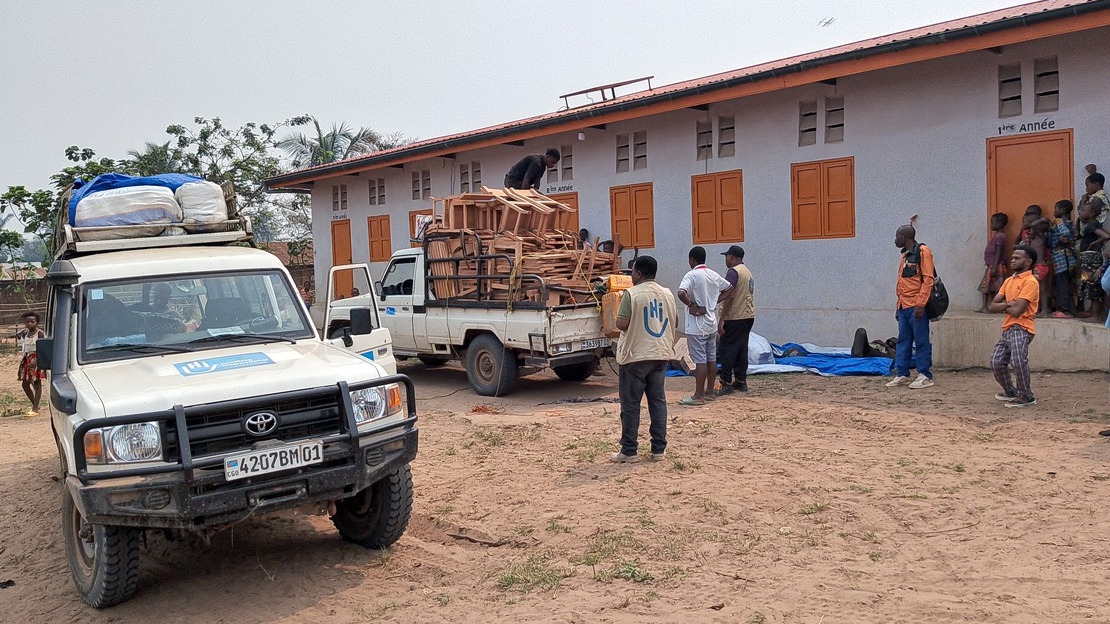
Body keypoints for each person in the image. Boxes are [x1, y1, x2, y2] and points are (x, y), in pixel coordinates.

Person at [611, 255, 677, 463]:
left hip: (635, 355)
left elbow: (622, 323)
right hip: (660, 353)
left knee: (630, 404)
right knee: (658, 402)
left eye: (632, 272)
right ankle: (659, 449)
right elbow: (674, 321)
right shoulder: (667, 294)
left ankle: (629, 451)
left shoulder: (632, 294)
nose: (630, 276)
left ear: (638, 273)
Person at [677, 246, 732, 405]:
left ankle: (698, 396)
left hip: (696, 325)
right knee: (711, 358)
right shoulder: (713, 274)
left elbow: (681, 292)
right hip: (711, 323)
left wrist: (690, 304)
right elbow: (730, 288)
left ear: (692, 260)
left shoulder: (691, 275)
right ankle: (709, 392)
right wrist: (714, 301)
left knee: (700, 360)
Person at [988, 244, 1040, 408]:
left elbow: (1018, 311)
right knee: (996, 361)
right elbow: (991, 306)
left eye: (1017, 258)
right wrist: (1009, 304)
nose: (1012, 260)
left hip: (1022, 327)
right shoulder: (1009, 281)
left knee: (1018, 361)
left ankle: (1026, 396)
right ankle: (1011, 391)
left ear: (1028, 262)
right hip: (1008, 327)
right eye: (1012, 257)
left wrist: (1003, 305)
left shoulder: (1030, 282)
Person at [886, 224, 935, 389]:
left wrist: (921, 304)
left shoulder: (922, 252)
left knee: (921, 341)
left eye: (897, 237)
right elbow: (903, 284)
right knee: (903, 341)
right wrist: (898, 307)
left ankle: (924, 375)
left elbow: (928, 279)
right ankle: (901, 373)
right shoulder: (905, 256)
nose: (895, 240)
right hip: (903, 307)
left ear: (906, 237)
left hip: (916, 306)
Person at [715, 244, 755, 395]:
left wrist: (722, 318)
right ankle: (740, 380)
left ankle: (725, 382)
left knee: (727, 349)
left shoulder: (733, 272)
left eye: (726, 256)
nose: (726, 259)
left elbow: (729, 295)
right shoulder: (747, 272)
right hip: (748, 315)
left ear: (731, 257)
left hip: (735, 316)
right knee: (741, 349)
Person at [1075, 199, 1109, 320]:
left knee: (1092, 283)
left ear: (1092, 213)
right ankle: (1091, 311)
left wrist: (1093, 243)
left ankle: (1095, 315)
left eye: (1083, 210)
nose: (1080, 212)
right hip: (1087, 258)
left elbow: (1106, 236)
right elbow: (1076, 235)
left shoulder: (1093, 224)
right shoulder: (1089, 225)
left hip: (1091, 258)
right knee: (1087, 282)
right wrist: (1078, 220)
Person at [1046, 200, 1077, 317]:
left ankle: (1064, 310)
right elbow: (1075, 235)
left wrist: (1060, 241)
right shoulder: (1070, 222)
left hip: (1061, 260)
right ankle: (1069, 309)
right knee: (1066, 283)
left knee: (1061, 284)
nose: (1054, 211)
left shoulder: (1060, 222)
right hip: (1068, 259)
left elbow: (1066, 234)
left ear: (1062, 210)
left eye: (1056, 208)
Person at [977, 212, 1009, 313]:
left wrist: (995, 267)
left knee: (998, 288)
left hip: (996, 266)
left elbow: (998, 252)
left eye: (993, 223)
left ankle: (995, 307)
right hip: (992, 265)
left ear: (999, 223)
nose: (991, 225)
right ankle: (985, 307)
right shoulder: (998, 236)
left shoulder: (1000, 236)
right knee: (986, 287)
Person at [16, 311, 45, 413]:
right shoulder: (26, 333)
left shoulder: (39, 333)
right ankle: (35, 404)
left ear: (37, 322)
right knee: (25, 384)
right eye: (28, 322)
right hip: (27, 358)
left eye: (32, 322)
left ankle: (35, 408)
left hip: (36, 359)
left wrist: (37, 361)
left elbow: (42, 349)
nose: (30, 324)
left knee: (37, 383)